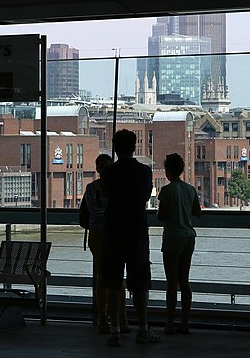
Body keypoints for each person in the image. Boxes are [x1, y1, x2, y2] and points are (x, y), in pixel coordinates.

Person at [101, 129, 159, 346]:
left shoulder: (108, 172)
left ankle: (115, 330)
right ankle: (143, 329)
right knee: (140, 283)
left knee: (113, 281)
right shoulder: (144, 172)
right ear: (135, 147)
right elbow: (145, 197)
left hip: (112, 230)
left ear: (115, 148)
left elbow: (106, 195)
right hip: (136, 230)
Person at [82, 153, 129, 334]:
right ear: (97, 169)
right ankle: (104, 317)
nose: (105, 169)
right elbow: (96, 210)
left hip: (112, 232)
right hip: (99, 234)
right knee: (103, 277)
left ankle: (121, 317)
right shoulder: (92, 187)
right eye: (102, 166)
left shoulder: (108, 188)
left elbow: (101, 210)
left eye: (108, 165)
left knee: (117, 278)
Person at [156, 153, 202, 335]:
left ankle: (169, 323)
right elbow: (197, 212)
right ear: (182, 170)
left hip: (173, 237)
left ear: (167, 170)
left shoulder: (166, 191)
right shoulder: (190, 189)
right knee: (184, 281)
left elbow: (161, 216)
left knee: (171, 282)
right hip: (189, 236)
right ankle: (185, 322)